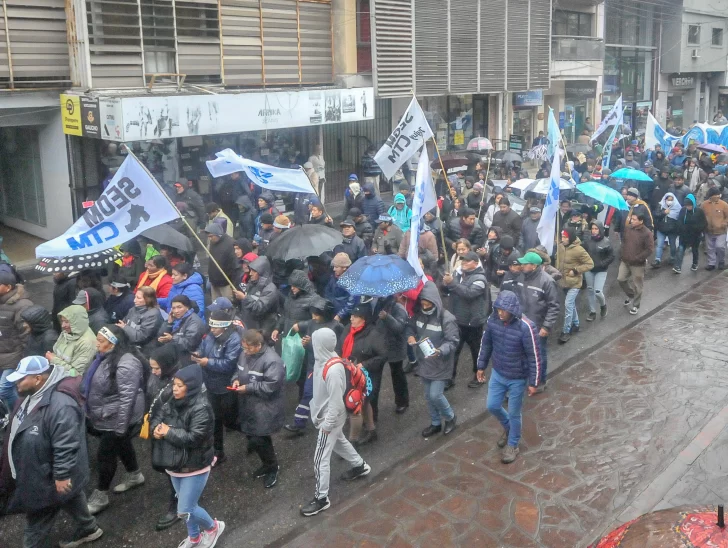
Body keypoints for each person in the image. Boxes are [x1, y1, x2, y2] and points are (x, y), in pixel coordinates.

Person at [0, 356, 103, 548]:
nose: (15, 383)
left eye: (21, 379)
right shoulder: (30, 394)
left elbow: (66, 444)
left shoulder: (60, 406)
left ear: (38, 379)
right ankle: (88, 528)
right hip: (46, 473)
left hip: (45, 479)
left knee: (36, 524)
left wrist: (62, 476)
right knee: (71, 496)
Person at [151, 364, 225, 548]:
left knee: (185, 509)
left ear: (190, 387)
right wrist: (155, 430)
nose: (174, 388)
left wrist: (167, 432)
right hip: (174, 464)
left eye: (180, 385)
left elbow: (194, 438)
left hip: (195, 465)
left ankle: (213, 527)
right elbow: (155, 416)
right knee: (188, 506)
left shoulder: (201, 407)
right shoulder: (170, 398)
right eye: (174, 384)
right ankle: (194, 538)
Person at [300, 328, 371, 516]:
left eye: (315, 342)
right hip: (328, 417)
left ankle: (321, 498)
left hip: (330, 419)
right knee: (339, 442)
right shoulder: (324, 357)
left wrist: (326, 426)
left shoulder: (332, 370)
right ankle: (360, 466)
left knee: (320, 458)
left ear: (320, 345)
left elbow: (337, 404)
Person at [83, 325, 147, 515]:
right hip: (107, 413)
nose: (97, 343)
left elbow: (127, 399)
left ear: (113, 343)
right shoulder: (104, 357)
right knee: (122, 445)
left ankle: (100, 495)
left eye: (101, 341)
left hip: (118, 417)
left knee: (105, 455)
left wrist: (120, 428)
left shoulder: (126, 363)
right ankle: (135, 474)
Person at [477, 290, 541, 464]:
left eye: (503, 310)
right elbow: (486, 344)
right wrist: (481, 366)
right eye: (498, 309)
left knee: (514, 412)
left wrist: (534, 382)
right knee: (492, 405)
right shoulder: (492, 321)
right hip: (498, 373)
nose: (500, 313)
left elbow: (534, 355)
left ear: (512, 309)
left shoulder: (527, 327)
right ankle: (509, 428)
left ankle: (513, 443)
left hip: (517, 378)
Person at [231, 329, 285, 488]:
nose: (245, 352)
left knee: (260, 438)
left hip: (265, 407)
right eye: (244, 348)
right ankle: (267, 464)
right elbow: (238, 370)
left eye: (248, 348)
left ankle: (272, 467)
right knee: (254, 436)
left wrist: (248, 388)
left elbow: (271, 386)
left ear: (258, 345)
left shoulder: (272, 361)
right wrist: (235, 380)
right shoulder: (245, 354)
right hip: (249, 405)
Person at [406, 282, 460, 437]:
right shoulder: (418, 314)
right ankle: (435, 423)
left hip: (441, 363)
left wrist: (440, 351)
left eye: (428, 301)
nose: (424, 304)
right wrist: (409, 335)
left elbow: (453, 341)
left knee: (435, 395)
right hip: (425, 362)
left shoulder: (447, 318)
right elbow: (409, 327)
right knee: (428, 396)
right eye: (423, 300)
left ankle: (450, 417)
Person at [191, 310, 242, 464]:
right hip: (211, 385)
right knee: (215, 420)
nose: (211, 329)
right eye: (211, 325)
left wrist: (208, 362)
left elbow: (229, 364)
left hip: (226, 387)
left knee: (231, 421)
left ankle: (253, 436)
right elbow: (204, 347)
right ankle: (218, 453)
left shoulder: (234, 340)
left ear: (224, 327)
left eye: (215, 327)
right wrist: (198, 353)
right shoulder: (211, 336)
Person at [339, 305, 387, 446]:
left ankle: (352, 442)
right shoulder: (348, 329)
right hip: (349, 373)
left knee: (356, 406)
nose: (351, 318)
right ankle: (372, 431)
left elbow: (383, 355)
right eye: (351, 315)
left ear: (364, 319)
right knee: (364, 404)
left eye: (355, 316)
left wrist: (364, 364)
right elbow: (340, 346)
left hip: (366, 376)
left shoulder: (374, 334)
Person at [442, 251, 491, 390]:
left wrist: (452, 284)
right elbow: (449, 291)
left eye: (467, 261)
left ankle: (479, 375)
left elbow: (469, 294)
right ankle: (450, 377)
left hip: (473, 322)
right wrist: (446, 283)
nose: (463, 263)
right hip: (458, 320)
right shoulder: (458, 275)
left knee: (476, 351)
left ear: (475, 263)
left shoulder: (480, 279)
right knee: (454, 350)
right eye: (462, 261)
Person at [146, 344, 181, 531]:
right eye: (152, 367)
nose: (154, 371)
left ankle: (177, 506)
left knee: (175, 468)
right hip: (159, 430)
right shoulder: (157, 377)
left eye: (157, 368)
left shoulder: (180, 382)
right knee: (169, 468)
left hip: (172, 433)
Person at [514, 252, 559, 390]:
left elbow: (554, 306)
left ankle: (540, 382)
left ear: (533, 266)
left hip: (538, 326)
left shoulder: (547, 281)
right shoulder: (521, 276)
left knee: (538, 355)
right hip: (521, 324)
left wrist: (546, 327)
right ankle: (525, 380)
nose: (521, 265)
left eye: (524, 263)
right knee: (521, 354)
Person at [372, 296, 410, 414]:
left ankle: (402, 401)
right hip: (380, 344)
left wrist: (387, 317)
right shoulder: (377, 304)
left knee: (397, 374)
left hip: (395, 346)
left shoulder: (398, 307)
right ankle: (372, 410)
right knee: (374, 377)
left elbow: (399, 328)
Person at [0, 272, 32, 408]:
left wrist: (23, 358)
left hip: (14, 355)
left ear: (8, 287)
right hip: (3, 354)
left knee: (4, 389)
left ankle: (17, 412)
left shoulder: (22, 305)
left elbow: (26, 334)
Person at [235, 256, 280, 339]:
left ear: (261, 272)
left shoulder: (270, 289)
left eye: (254, 271)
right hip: (251, 326)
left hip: (263, 330)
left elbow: (259, 308)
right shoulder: (252, 284)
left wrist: (244, 298)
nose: (250, 273)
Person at [46, 305, 97, 379]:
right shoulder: (67, 332)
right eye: (62, 321)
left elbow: (76, 374)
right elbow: (55, 351)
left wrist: (54, 360)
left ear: (77, 322)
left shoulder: (87, 344)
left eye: (67, 322)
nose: (63, 325)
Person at [618, 213, 654, 315]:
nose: (631, 221)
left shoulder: (647, 233)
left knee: (638, 285)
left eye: (634, 219)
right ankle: (631, 295)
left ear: (641, 221)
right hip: (625, 260)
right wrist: (622, 253)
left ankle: (635, 305)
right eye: (631, 219)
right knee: (621, 279)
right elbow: (623, 242)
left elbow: (650, 249)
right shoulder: (628, 229)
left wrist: (638, 258)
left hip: (638, 264)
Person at [157, 295, 206, 365]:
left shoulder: (194, 322)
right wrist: (169, 323)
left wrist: (172, 338)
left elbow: (190, 344)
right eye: (173, 308)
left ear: (187, 308)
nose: (176, 311)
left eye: (179, 307)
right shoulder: (179, 319)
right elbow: (161, 335)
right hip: (176, 354)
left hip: (188, 358)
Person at [272, 270, 318, 344]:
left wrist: (301, 326)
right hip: (288, 337)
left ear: (302, 286)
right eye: (291, 285)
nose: (292, 288)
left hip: (302, 339)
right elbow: (285, 314)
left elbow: (317, 321)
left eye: (295, 286)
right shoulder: (290, 296)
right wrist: (277, 329)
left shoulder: (313, 299)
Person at [583, 221, 614, 321]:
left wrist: (602, 264)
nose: (594, 231)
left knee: (598, 291)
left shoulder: (606, 241)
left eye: (596, 229)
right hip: (589, 269)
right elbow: (583, 253)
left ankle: (603, 305)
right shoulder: (588, 241)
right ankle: (592, 312)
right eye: (592, 229)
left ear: (600, 230)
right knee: (590, 290)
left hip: (601, 270)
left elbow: (611, 256)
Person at [119, 286, 164, 355]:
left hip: (144, 352)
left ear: (148, 299)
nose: (134, 300)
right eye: (135, 297)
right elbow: (122, 323)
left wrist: (125, 327)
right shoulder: (133, 309)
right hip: (129, 347)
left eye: (138, 298)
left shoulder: (153, 315)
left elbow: (141, 337)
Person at [205, 223, 239, 300]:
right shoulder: (213, 243)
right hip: (214, 282)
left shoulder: (231, 243)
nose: (210, 239)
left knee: (227, 308)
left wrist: (233, 284)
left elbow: (235, 264)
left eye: (211, 236)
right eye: (208, 237)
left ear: (218, 234)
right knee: (216, 308)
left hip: (226, 284)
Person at [675, 193, 707, 273]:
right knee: (681, 249)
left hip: (695, 235)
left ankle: (695, 263)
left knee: (694, 250)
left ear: (693, 204)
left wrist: (698, 229)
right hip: (684, 234)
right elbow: (679, 220)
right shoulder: (683, 210)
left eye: (690, 205)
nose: (688, 207)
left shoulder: (699, 211)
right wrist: (681, 229)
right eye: (686, 205)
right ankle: (678, 266)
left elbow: (704, 223)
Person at [325, 253, 359, 324]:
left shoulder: (351, 281)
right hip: (333, 310)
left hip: (346, 316)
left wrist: (340, 315)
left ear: (344, 267)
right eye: (334, 266)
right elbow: (327, 291)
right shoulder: (333, 277)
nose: (334, 269)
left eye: (336, 267)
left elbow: (352, 301)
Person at [652, 192, 682, 268]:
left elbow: (680, 220)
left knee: (672, 245)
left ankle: (672, 257)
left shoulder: (677, 208)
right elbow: (655, 215)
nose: (669, 201)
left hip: (672, 231)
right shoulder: (661, 205)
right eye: (668, 200)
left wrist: (678, 230)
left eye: (671, 200)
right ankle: (657, 260)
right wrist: (664, 213)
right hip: (661, 229)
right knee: (659, 245)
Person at [701, 187, 728, 270]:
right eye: (715, 195)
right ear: (711, 196)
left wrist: (724, 223)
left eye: (718, 194)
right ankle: (711, 263)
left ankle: (721, 261)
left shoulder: (724, 205)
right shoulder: (704, 205)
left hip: (721, 231)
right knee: (710, 248)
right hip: (708, 230)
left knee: (720, 247)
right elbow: (701, 216)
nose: (717, 196)